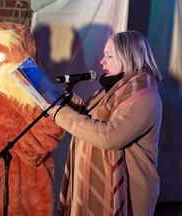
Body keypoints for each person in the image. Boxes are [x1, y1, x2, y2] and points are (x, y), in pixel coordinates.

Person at [46, 31, 163, 216]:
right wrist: (66, 102)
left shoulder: (144, 96)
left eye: (109, 55)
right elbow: (91, 120)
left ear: (129, 57)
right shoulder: (113, 90)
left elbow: (109, 136)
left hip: (129, 194)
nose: (102, 61)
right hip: (93, 186)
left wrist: (61, 114)